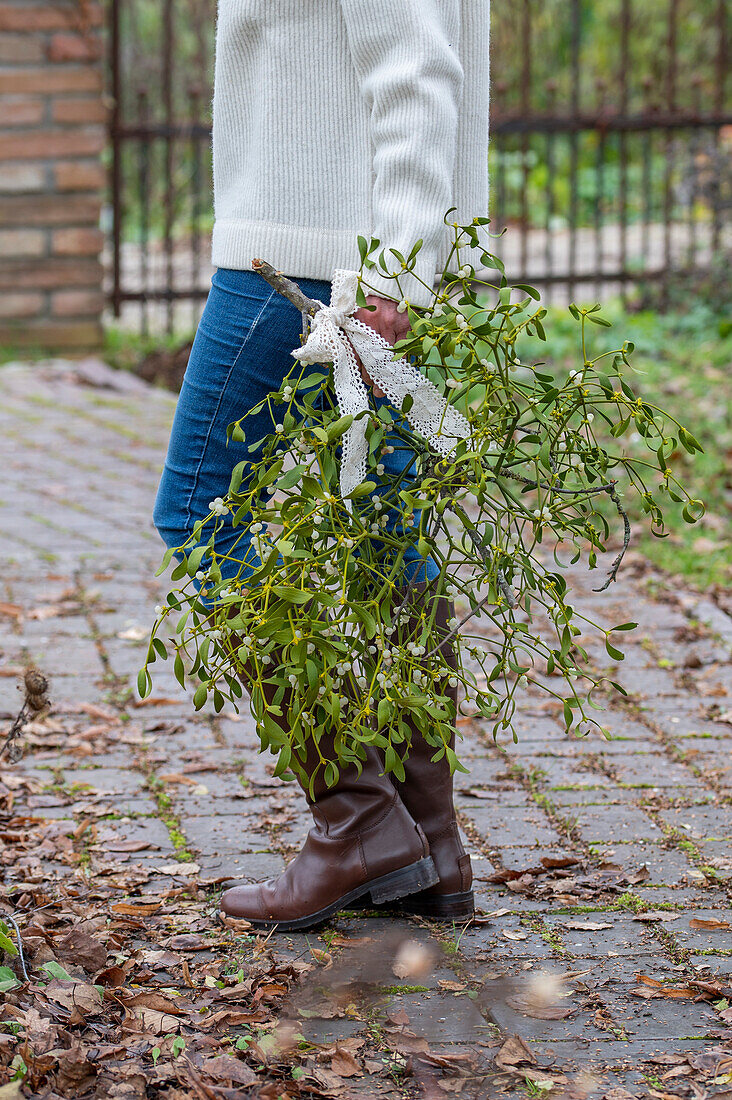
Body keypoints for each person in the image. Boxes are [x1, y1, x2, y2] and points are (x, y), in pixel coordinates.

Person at [153, 0, 490, 930]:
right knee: (389, 535)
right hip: (363, 253)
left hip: (315, 254)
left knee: (199, 511)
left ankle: (358, 822)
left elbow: (416, 62)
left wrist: (392, 267)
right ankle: (430, 841)